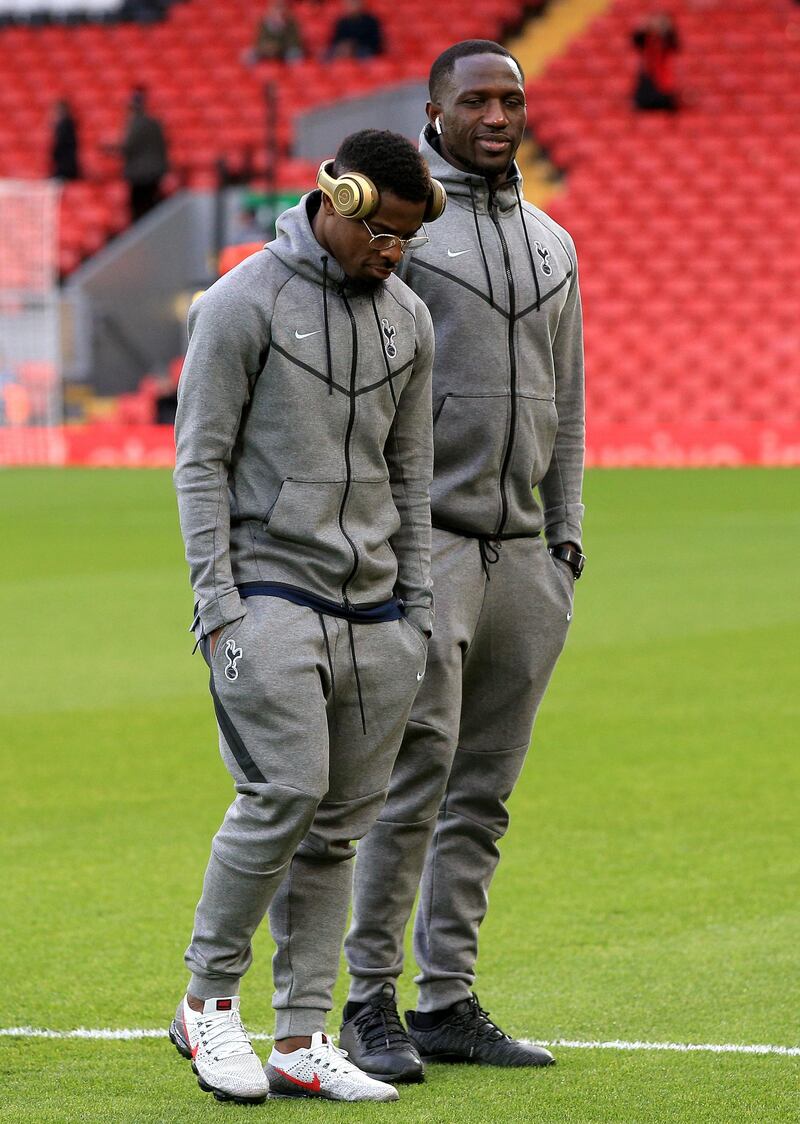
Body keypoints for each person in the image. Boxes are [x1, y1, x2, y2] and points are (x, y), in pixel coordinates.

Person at [170, 128, 446, 1105]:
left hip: (378, 610)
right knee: (280, 793)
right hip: (268, 595)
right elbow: (199, 460)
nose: (394, 254)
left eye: (408, 240)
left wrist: (415, 607)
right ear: (341, 200)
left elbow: (411, 472)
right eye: (385, 234)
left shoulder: (409, 316)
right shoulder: (240, 301)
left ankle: (297, 1033)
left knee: (335, 829)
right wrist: (217, 604)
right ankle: (205, 1004)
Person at [340, 40, 586, 1081]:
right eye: (474, 99)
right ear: (431, 111)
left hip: (526, 555)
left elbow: (568, 401)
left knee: (482, 791)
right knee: (412, 783)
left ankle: (445, 998)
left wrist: (564, 532)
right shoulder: (401, 238)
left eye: (511, 99)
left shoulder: (554, 241)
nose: (496, 116)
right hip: (426, 546)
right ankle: (365, 999)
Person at [120, 88, 168, 221]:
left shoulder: (136, 124)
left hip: (140, 175)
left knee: (140, 211)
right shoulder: (155, 123)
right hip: (155, 172)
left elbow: (128, 146)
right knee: (150, 208)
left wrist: (110, 147)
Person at [632, 12, 680, 111]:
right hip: (648, 80)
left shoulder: (666, 42)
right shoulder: (647, 40)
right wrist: (646, 26)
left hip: (663, 83)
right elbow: (636, 38)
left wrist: (665, 27)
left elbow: (674, 42)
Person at [50, 99, 80, 181]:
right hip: (66, 167)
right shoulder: (68, 125)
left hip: (65, 168)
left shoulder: (65, 126)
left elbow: (60, 147)